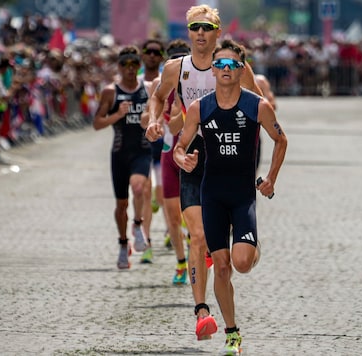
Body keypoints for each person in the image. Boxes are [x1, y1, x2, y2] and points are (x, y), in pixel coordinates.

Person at [144, 4, 264, 342]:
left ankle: (248, 249)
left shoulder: (237, 67)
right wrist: (156, 120)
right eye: (194, 27)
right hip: (193, 158)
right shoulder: (176, 68)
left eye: (206, 28)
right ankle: (201, 314)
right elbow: (158, 97)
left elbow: (260, 109)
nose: (200, 34)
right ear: (188, 31)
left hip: (228, 162)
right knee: (197, 236)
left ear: (217, 32)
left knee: (228, 257)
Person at [173, 39, 287, 356]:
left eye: (231, 65)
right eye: (220, 64)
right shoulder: (199, 108)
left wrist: (272, 179)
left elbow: (281, 139)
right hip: (212, 194)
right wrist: (183, 159)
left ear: (241, 69)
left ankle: (251, 249)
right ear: (212, 70)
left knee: (242, 263)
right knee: (221, 266)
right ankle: (232, 333)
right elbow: (179, 147)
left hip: (242, 195)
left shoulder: (257, 106)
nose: (225, 69)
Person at [93, 46, 152, 269]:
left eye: (134, 64)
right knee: (121, 204)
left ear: (139, 66)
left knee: (138, 187)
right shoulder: (111, 92)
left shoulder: (147, 89)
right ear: (119, 66)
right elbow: (97, 123)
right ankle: (122, 243)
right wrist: (117, 115)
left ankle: (137, 226)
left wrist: (149, 116)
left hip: (142, 150)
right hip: (119, 153)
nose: (130, 69)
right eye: (125, 64)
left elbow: (157, 115)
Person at [143, 39, 192, 285]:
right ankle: (181, 262)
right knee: (172, 215)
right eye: (174, 60)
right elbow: (149, 116)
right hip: (168, 152)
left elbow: (176, 122)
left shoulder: (199, 82)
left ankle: (196, 252)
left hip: (193, 153)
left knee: (194, 214)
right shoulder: (158, 83)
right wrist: (151, 121)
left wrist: (179, 110)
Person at [137, 38, 167, 264]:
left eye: (157, 52)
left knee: (163, 195)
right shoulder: (136, 82)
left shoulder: (167, 81)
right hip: (143, 146)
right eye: (148, 51)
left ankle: (170, 231)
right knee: (146, 194)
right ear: (143, 55)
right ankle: (146, 242)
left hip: (165, 145)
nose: (153, 56)